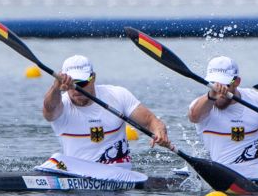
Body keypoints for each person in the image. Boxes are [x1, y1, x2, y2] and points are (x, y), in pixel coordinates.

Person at [37, 54, 173, 182]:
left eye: (82, 83)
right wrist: (55, 88)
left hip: (120, 175)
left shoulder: (118, 96)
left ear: (93, 78)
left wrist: (159, 131)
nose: (76, 89)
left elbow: (150, 121)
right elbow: (48, 110)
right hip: (78, 175)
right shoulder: (60, 105)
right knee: (57, 159)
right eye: (72, 84)